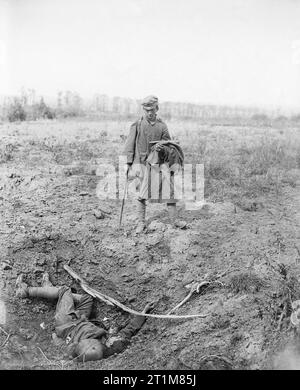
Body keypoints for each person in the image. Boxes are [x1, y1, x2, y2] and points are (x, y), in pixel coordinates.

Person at [15, 272, 154, 362]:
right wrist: (142, 315)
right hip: (82, 320)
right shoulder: (110, 346)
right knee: (87, 299)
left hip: (66, 323)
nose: (90, 341)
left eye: (87, 342)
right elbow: (127, 332)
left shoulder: (75, 350)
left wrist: (56, 338)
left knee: (65, 290)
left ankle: (26, 291)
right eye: (93, 342)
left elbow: (60, 344)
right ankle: (52, 291)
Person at [124, 95, 185, 233]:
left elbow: (169, 145)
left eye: (152, 109)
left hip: (159, 164)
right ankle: (141, 223)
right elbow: (130, 144)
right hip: (142, 164)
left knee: (170, 192)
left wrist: (161, 147)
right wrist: (128, 163)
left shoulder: (162, 126)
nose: (150, 112)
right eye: (146, 110)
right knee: (142, 194)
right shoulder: (137, 125)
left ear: (157, 108)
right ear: (143, 110)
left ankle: (174, 221)